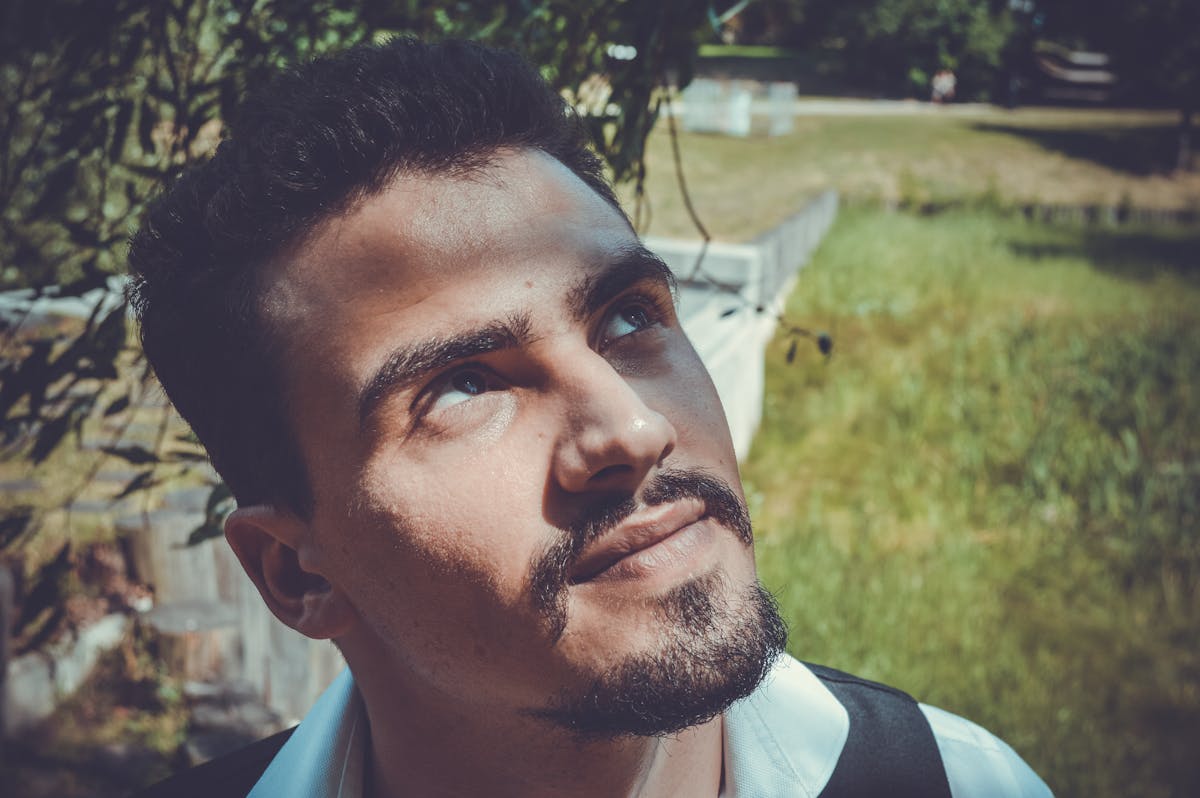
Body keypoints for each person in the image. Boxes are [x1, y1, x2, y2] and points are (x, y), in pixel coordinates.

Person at [128, 38, 1050, 797]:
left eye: (630, 318)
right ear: (295, 573)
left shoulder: (964, 784)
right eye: (462, 387)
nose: (635, 431)